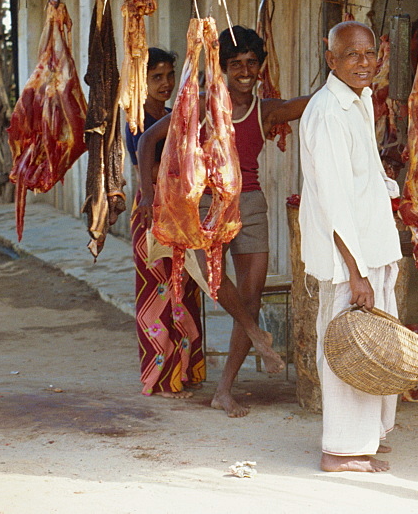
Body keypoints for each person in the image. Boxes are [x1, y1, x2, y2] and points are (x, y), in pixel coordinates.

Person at [137, 26, 311, 417]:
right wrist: (149, 194)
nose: (245, 71)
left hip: (249, 204)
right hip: (204, 204)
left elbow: (311, 102)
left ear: (260, 68)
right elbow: (149, 140)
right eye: (236, 65)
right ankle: (254, 333)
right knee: (212, 279)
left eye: (252, 63)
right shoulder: (197, 104)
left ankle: (224, 390)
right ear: (224, 69)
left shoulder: (266, 110)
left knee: (250, 298)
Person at [298, 21, 402, 473]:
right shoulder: (326, 112)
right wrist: (355, 273)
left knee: (375, 346)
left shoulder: (358, 102)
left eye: (369, 54)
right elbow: (334, 200)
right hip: (348, 260)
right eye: (353, 55)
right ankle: (339, 450)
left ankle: (366, 437)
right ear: (332, 59)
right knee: (345, 346)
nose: (364, 63)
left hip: (370, 247)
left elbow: (362, 180)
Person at [127, 48, 205, 399]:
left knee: (185, 291)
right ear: (141, 82)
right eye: (156, 77)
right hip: (150, 212)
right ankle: (160, 377)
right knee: (158, 293)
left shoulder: (177, 115)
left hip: (181, 210)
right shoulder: (134, 122)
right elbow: (154, 168)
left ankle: (186, 371)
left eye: (169, 76)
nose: (166, 84)